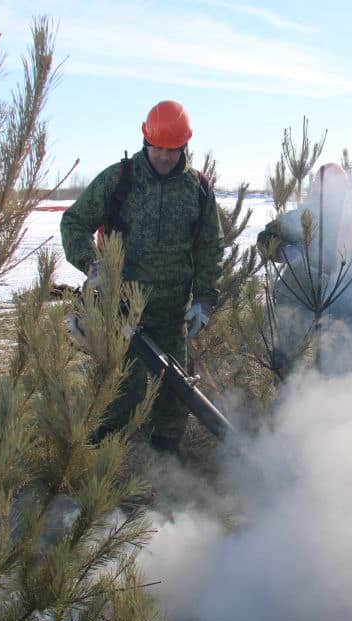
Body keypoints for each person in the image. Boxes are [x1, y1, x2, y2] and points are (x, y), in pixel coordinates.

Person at [60, 100, 223, 455]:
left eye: (173, 150)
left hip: (172, 310)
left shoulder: (197, 188)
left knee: (174, 392)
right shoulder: (120, 179)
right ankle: (103, 464)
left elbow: (210, 246)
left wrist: (205, 300)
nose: (164, 157)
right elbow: (73, 223)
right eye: (158, 148)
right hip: (122, 309)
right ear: (146, 140)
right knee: (122, 387)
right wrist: (93, 265)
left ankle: (166, 461)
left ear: (185, 145)